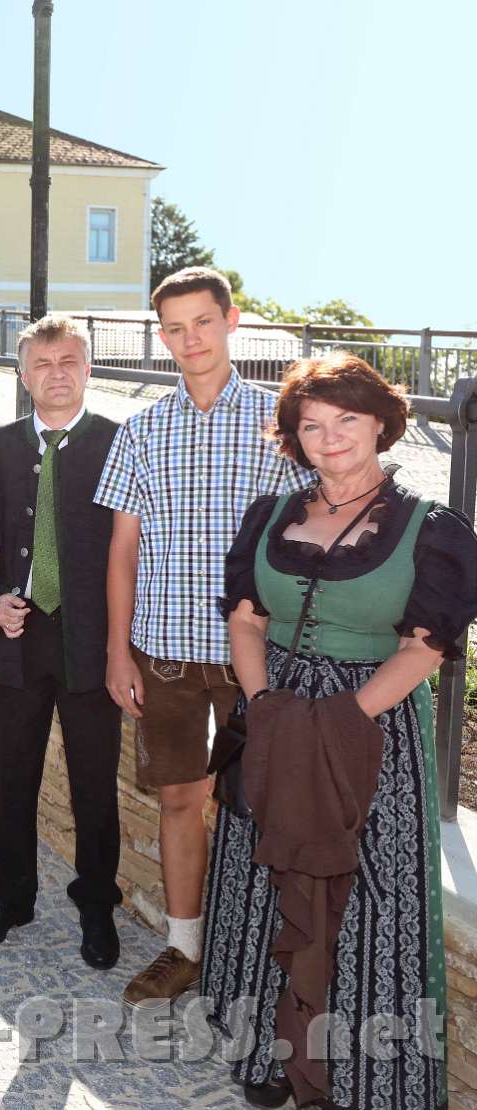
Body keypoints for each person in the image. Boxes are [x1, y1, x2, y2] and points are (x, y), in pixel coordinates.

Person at [203, 353, 476, 1110]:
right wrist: (266, 712)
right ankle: (266, 1054)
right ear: (294, 438)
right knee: (261, 881)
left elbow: (426, 647)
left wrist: (341, 720)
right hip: (277, 714)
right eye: (311, 426)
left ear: (383, 423)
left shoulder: (430, 527)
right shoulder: (270, 515)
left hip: (371, 731)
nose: (331, 439)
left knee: (366, 899)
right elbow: (246, 618)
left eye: (346, 420)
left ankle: (363, 1078)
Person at [93, 267, 307, 1010]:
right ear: (162, 338)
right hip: (165, 649)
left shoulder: (280, 422)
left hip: (257, 652)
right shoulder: (142, 428)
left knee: (270, 804)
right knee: (180, 798)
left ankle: (268, 954)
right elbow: (123, 549)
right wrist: (118, 650)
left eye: (203, 322)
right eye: (176, 328)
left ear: (231, 320)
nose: (191, 340)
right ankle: (184, 947)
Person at [0, 315, 122, 969]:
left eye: (69, 362)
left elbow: (134, 550)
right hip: (17, 637)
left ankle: (95, 907)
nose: (56, 374)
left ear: (88, 370)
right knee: (16, 776)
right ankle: (11, 897)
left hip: (92, 642)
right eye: (42, 364)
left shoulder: (120, 444)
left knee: (93, 783)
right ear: (24, 376)